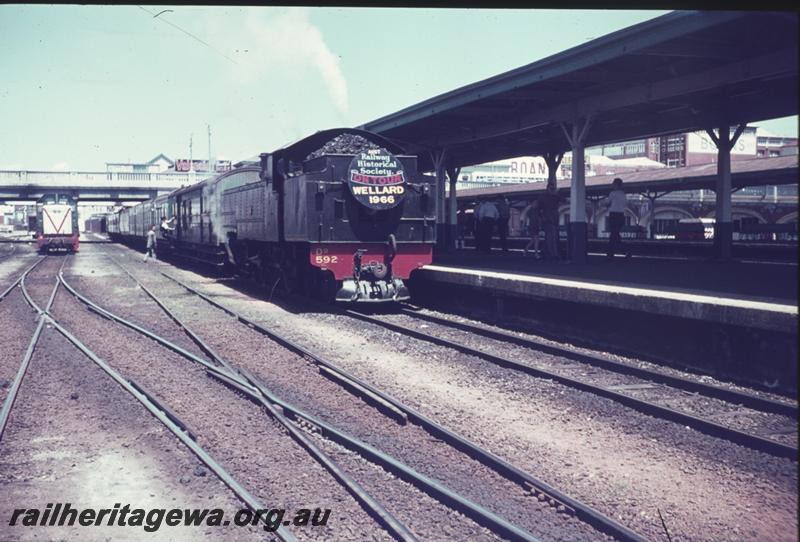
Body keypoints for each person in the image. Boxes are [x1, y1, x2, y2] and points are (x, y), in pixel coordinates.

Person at [602, 177, 630, 260]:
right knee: (615, 234)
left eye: (613, 184)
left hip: (613, 215)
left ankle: (616, 252)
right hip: (621, 215)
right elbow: (625, 205)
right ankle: (614, 252)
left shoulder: (612, 193)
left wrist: (604, 204)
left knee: (614, 234)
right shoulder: (623, 195)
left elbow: (607, 203)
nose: (612, 185)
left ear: (616, 185)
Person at [539, 184, 562, 260]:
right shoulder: (549, 196)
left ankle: (549, 252)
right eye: (551, 188)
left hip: (550, 219)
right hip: (550, 219)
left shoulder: (545, 196)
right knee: (552, 237)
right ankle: (553, 253)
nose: (552, 189)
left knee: (550, 237)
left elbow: (540, 208)